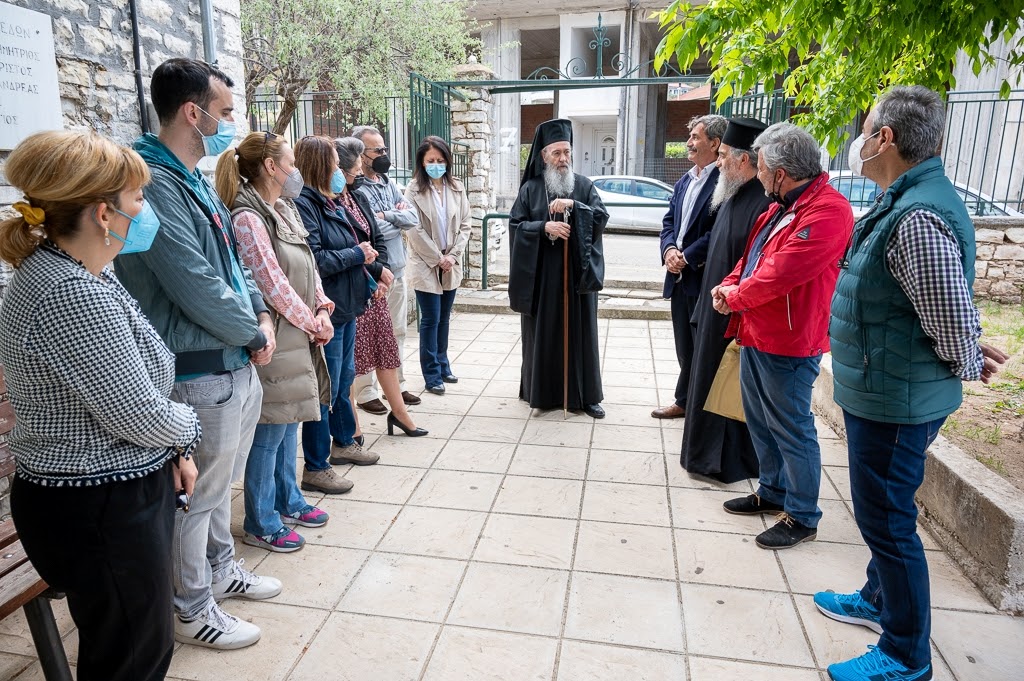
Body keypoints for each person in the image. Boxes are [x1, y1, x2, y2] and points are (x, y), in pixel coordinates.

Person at [818, 86, 1008, 681]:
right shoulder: (906, 198)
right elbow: (932, 302)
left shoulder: (918, 213)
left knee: (887, 520)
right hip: (887, 386)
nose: (860, 140)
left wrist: (965, 353)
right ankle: (878, 600)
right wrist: (967, 346)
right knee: (884, 511)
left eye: (866, 126)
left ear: (886, 139)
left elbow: (947, 316)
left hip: (896, 398)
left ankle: (905, 655)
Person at [0, 130, 201, 681]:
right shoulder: (71, 293)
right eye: (138, 198)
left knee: (129, 646)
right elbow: (140, 412)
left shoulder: (81, 274)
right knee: (131, 659)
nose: (145, 209)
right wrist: (188, 427)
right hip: (99, 507)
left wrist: (177, 445)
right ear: (102, 212)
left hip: (102, 497)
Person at [113, 58, 281, 650]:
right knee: (197, 497)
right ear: (194, 112)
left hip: (229, 360)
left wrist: (259, 310)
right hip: (197, 369)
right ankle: (192, 606)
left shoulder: (192, 175)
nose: (229, 125)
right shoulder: (153, 183)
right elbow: (192, 280)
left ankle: (220, 571)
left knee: (217, 490)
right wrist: (255, 332)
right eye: (226, 113)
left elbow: (231, 264)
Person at [714, 122, 853, 550]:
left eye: (761, 167)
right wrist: (729, 285)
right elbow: (752, 258)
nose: (756, 174)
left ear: (780, 172)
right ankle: (771, 491)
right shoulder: (780, 206)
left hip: (790, 340)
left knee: (791, 427)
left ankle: (803, 514)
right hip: (757, 329)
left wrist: (735, 296)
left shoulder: (828, 211)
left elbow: (782, 273)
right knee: (759, 419)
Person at [214, 131, 334, 553]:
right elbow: (271, 283)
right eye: (291, 161)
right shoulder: (248, 216)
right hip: (279, 335)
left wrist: (322, 305)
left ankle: (288, 500)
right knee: (270, 429)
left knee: (290, 423)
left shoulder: (282, 207)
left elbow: (307, 263)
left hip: (299, 332)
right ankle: (261, 519)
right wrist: (311, 322)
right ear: (271, 166)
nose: (296, 170)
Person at [680, 117, 771, 483]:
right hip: (715, 308)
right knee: (705, 383)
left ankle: (728, 463)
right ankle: (702, 456)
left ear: (743, 161)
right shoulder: (731, 194)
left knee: (728, 391)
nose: (718, 161)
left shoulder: (761, 204)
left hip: (734, 315)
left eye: (724, 155)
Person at [293, 135, 380, 495]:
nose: (341, 171)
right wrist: (357, 254)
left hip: (345, 307)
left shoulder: (330, 201)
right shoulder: (305, 204)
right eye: (334, 163)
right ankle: (316, 465)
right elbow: (315, 260)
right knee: (324, 389)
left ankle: (343, 442)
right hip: (327, 311)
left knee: (342, 380)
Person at [508, 119, 609, 418]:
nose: (563, 159)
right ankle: (540, 393)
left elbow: (601, 217)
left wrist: (576, 208)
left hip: (576, 277)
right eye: (557, 153)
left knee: (582, 336)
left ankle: (587, 396)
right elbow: (516, 225)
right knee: (543, 335)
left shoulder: (584, 186)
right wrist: (544, 227)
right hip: (541, 278)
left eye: (567, 152)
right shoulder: (530, 189)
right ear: (543, 156)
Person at [335, 136, 427, 437]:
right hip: (353, 289)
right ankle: (354, 425)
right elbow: (351, 243)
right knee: (351, 360)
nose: (361, 170)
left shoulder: (362, 194)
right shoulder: (330, 202)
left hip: (376, 281)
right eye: (357, 164)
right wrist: (372, 263)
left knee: (387, 345)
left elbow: (378, 233)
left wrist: (380, 269)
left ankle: (399, 412)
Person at [653, 114, 726, 420]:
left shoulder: (723, 182)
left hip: (702, 275)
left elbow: (719, 231)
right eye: (691, 137)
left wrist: (687, 255)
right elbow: (669, 221)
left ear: (715, 143)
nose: (689, 143)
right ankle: (685, 400)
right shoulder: (686, 179)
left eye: (697, 137)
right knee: (684, 344)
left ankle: (698, 406)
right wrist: (669, 250)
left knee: (701, 347)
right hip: (679, 276)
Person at [350, 125, 421, 413]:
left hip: (398, 270)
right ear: (360, 154)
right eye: (376, 150)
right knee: (368, 337)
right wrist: (394, 221)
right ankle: (366, 391)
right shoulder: (355, 187)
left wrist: (388, 215)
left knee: (397, 331)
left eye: (384, 148)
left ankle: (398, 385)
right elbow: (367, 229)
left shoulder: (387, 181)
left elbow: (412, 216)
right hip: (372, 275)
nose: (383, 154)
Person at [404, 136, 473, 396]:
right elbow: (413, 228)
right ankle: (431, 373)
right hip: (425, 262)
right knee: (430, 319)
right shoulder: (413, 189)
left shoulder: (457, 187)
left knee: (444, 318)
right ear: (422, 162)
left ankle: (443, 364)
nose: (436, 165)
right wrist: (437, 258)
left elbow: (466, 223)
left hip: (451, 261)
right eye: (431, 160)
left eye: (440, 160)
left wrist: (453, 256)